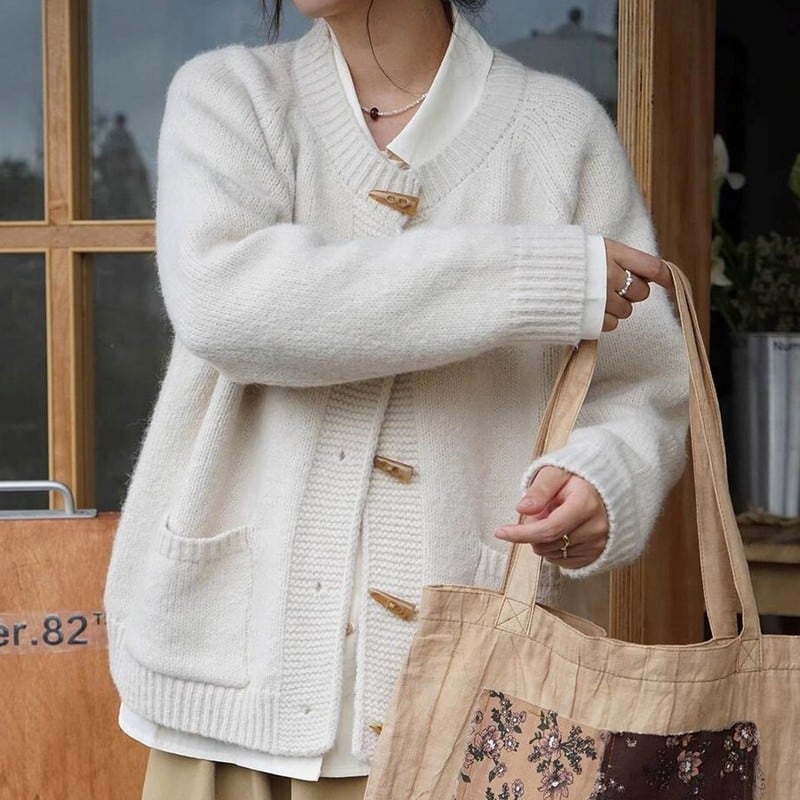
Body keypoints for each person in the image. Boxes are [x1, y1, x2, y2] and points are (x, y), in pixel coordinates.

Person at [103, 1, 689, 798]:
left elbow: (642, 382)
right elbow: (226, 303)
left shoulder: (560, 132)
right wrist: (534, 278)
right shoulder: (233, 97)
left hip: (476, 714)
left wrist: (603, 474)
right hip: (233, 705)